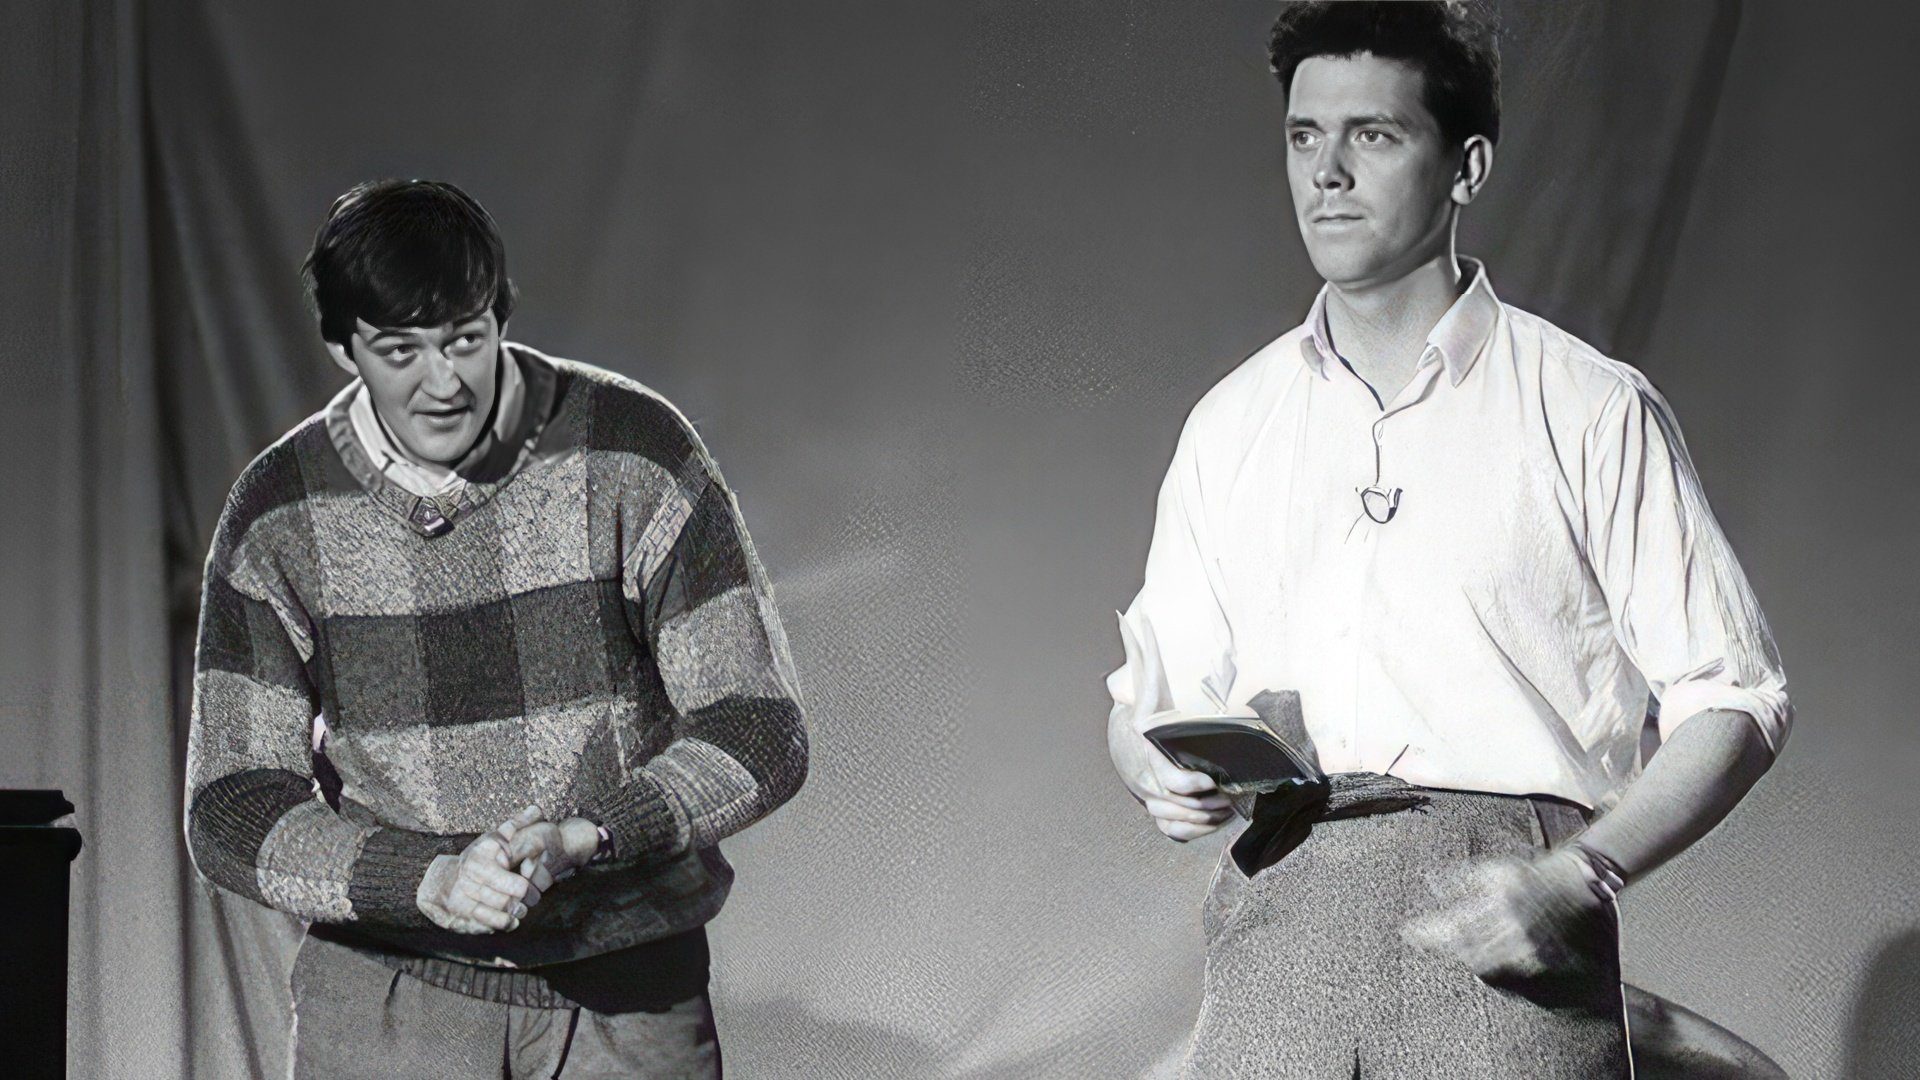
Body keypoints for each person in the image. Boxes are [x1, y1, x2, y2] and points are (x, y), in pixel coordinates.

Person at [1104, 4, 1790, 1076]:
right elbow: (1147, 697)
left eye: (1372, 135)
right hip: (1279, 904)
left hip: (1505, 904)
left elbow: (1736, 698)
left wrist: (1580, 875)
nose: (1325, 171)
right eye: (1302, 136)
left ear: (1466, 166)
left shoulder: (1587, 407)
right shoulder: (1231, 423)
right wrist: (1158, 771)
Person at [183, 178, 808, 1078]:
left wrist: (589, 834)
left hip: (626, 989)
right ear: (340, 347)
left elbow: (758, 729)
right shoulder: (281, 512)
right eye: (400, 351)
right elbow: (234, 803)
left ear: (501, 319)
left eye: (465, 340)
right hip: (387, 999)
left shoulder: (633, 453)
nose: (443, 383)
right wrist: (422, 879)